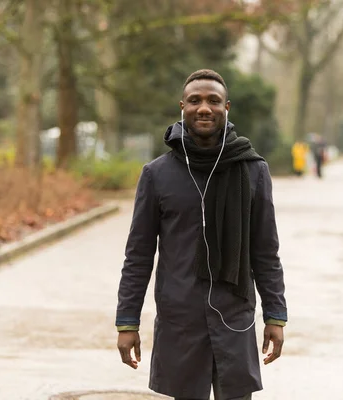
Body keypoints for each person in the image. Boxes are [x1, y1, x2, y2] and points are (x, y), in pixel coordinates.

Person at [115, 69, 288, 400]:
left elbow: (265, 251)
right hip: (179, 322)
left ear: (227, 108)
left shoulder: (253, 171)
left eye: (213, 101)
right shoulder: (156, 175)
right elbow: (137, 256)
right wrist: (127, 322)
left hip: (234, 319)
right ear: (183, 107)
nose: (204, 108)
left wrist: (275, 316)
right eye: (195, 100)